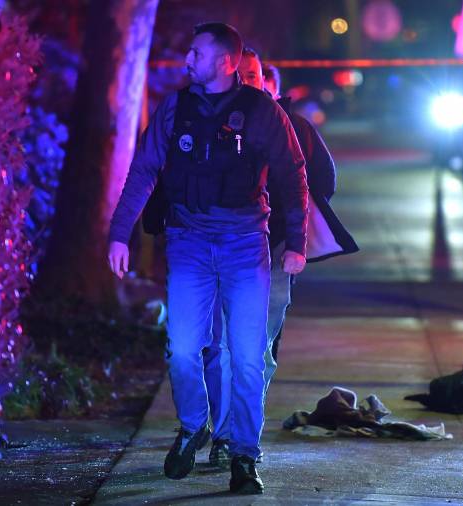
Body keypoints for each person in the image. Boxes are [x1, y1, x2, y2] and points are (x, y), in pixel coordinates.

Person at [107, 22, 308, 495]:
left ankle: (243, 456)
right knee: (182, 350)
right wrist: (120, 235)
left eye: (196, 53)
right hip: (189, 241)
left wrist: (296, 243)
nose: (187, 60)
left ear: (224, 61)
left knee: (247, 357)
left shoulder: (261, 111)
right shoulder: (176, 107)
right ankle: (194, 425)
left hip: (244, 243)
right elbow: (143, 169)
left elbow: (291, 173)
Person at [206, 48, 358, 468]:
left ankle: (239, 434)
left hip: (270, 254)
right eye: (240, 74)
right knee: (218, 346)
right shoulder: (204, 121)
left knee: (255, 348)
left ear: (267, 82)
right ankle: (225, 433)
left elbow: (324, 179)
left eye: (253, 74)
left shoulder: (294, 129)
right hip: (215, 251)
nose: (247, 81)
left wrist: (293, 219)